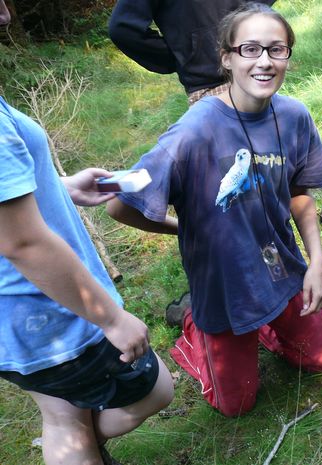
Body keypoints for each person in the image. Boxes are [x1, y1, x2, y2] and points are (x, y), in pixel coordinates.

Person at [107, 2, 322, 417]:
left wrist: (317, 262)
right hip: (223, 287)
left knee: (320, 360)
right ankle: (194, 323)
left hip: (280, 266)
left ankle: (265, 323)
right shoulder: (194, 132)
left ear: (288, 56)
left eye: (276, 49)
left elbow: (300, 193)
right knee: (236, 405)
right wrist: (182, 228)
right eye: (249, 49)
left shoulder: (294, 116)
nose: (264, 61)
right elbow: (119, 205)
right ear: (226, 58)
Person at [0, 6, 174, 465]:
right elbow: (22, 243)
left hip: (15, 322)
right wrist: (110, 319)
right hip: (44, 311)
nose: (6, 13)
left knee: (63, 417)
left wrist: (60, 187)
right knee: (155, 389)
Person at [108, 0, 276, 105]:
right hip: (213, 88)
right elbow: (123, 29)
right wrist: (180, 58)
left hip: (258, 75)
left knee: (274, 148)